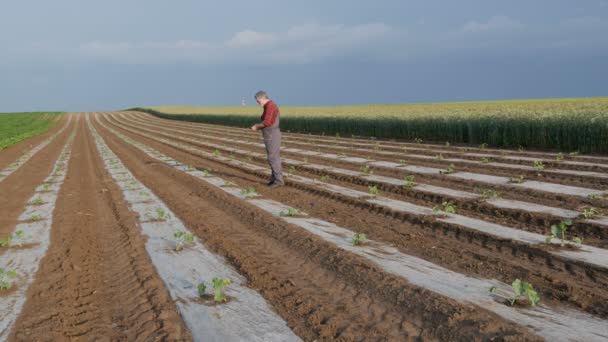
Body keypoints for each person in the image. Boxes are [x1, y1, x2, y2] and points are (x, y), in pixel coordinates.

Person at [250, 90, 284, 187]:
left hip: (271, 135)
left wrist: (256, 126)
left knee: (273, 157)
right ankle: (274, 179)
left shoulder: (270, 106)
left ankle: (278, 181)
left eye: (258, 101)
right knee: (273, 157)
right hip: (271, 134)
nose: (257, 103)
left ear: (262, 98)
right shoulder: (269, 106)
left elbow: (268, 122)